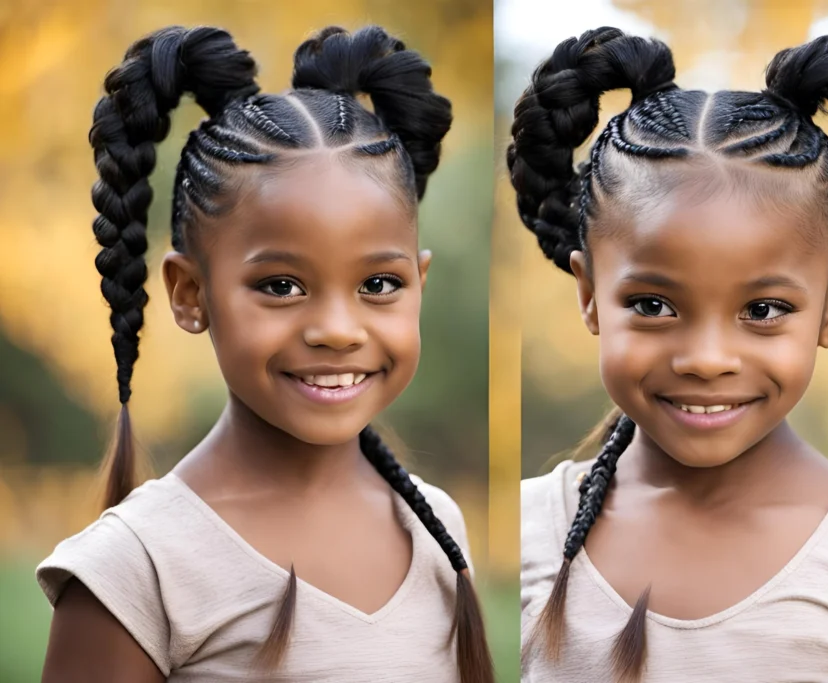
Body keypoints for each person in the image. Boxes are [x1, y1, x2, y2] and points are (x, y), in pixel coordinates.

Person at [510, 27, 828, 683]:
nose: (706, 358)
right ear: (589, 296)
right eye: (651, 304)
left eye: (763, 310)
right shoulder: (518, 536)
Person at [36, 24, 493, 683]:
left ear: (420, 281)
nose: (337, 328)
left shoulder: (436, 528)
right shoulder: (135, 570)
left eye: (378, 284)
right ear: (190, 293)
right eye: (281, 285)